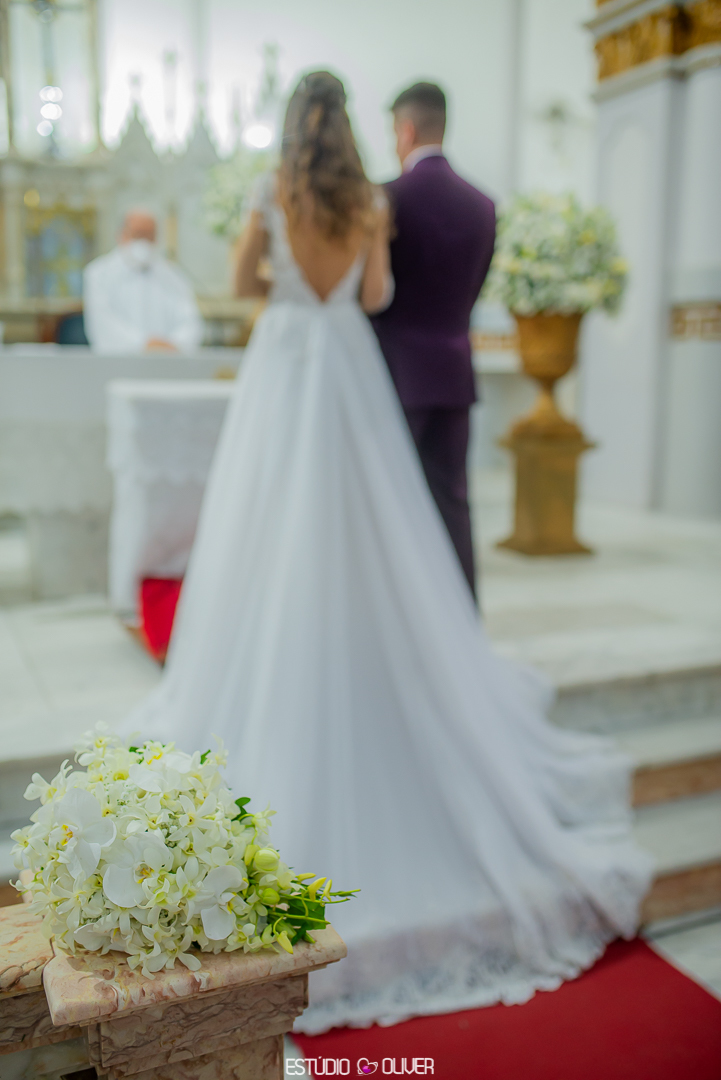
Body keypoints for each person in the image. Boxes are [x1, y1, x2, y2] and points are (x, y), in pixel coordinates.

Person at [124, 71, 652, 1033]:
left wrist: (283, 273)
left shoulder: (268, 191)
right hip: (346, 366)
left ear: (291, 125)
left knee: (266, 527)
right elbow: (377, 293)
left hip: (284, 362)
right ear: (357, 129)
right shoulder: (369, 202)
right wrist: (348, 274)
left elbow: (242, 284)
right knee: (374, 526)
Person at [373, 83, 495, 598]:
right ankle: (462, 620)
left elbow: (374, 293)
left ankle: (402, 618)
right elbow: (472, 290)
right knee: (453, 503)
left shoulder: (387, 199)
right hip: (454, 373)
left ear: (405, 129)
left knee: (390, 506)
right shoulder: (482, 205)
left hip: (395, 377)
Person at [83, 211, 203, 354]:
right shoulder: (98, 273)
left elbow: (190, 323)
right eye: (138, 235)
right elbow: (103, 325)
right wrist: (145, 344)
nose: (144, 242)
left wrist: (174, 344)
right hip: (118, 362)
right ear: (122, 235)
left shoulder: (174, 276)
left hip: (168, 362)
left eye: (149, 236)